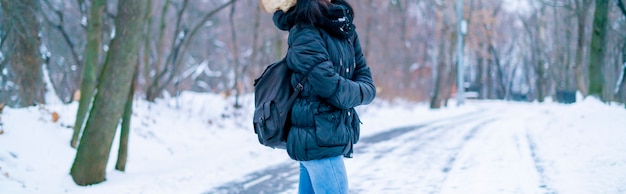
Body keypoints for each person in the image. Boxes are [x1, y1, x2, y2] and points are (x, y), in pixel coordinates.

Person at [261, 0, 376, 193]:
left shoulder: (342, 25)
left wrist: (361, 90)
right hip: (317, 137)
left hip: (328, 134)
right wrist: (362, 91)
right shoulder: (304, 31)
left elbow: (363, 73)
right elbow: (332, 88)